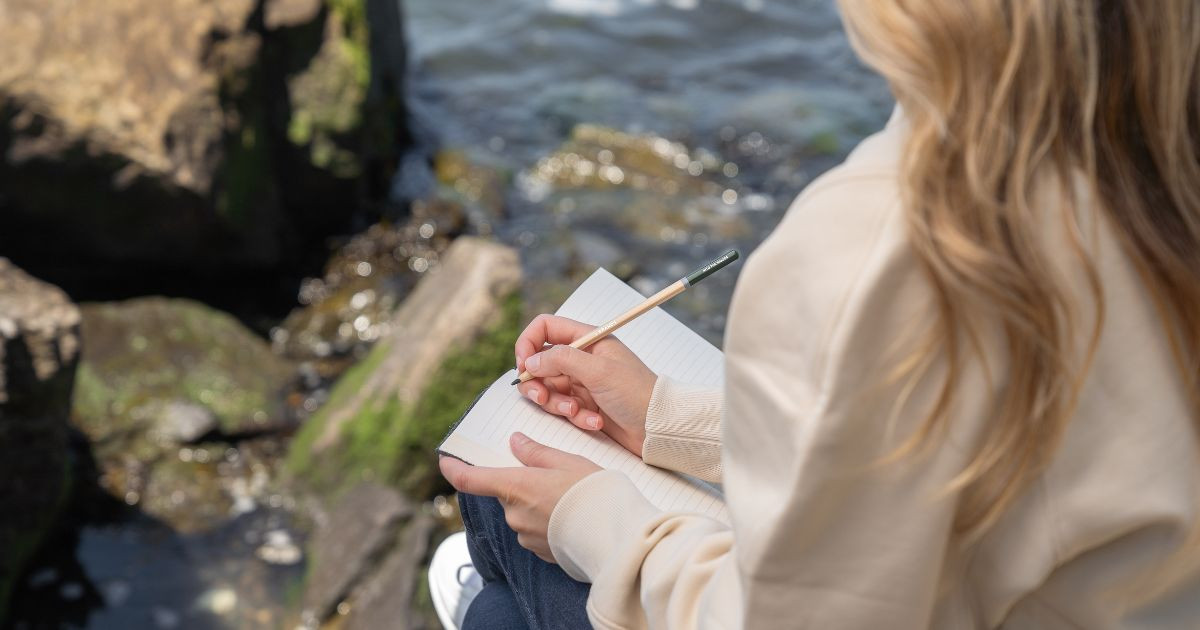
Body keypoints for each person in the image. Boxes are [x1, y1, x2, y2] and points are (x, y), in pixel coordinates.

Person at [434, 0, 1200, 627]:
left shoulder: (885, 241)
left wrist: (590, 521)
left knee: (502, 536)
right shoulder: (1155, 165)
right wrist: (671, 420)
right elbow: (955, 458)